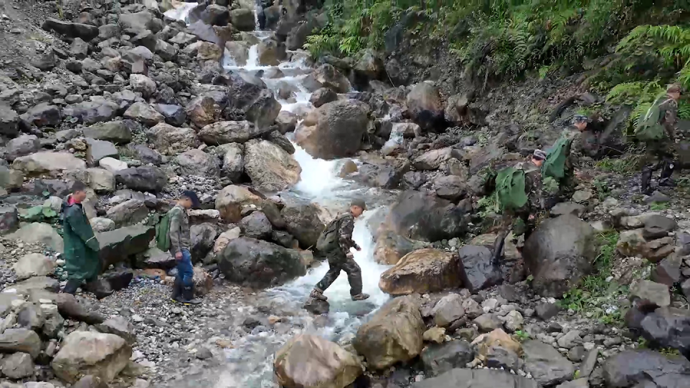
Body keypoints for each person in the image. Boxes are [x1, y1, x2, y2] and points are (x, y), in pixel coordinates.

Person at [492, 150, 546, 263]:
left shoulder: (519, 165)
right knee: (530, 224)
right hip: (523, 205)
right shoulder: (535, 173)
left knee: (504, 229)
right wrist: (533, 212)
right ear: (541, 160)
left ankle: (495, 257)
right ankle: (528, 253)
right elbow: (535, 195)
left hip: (510, 202)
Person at [310, 199, 370, 302]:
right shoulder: (348, 219)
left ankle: (317, 291)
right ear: (355, 208)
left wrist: (355, 245)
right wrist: (347, 252)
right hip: (337, 251)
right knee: (354, 269)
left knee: (334, 271)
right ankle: (356, 294)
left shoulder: (343, 216)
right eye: (362, 210)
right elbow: (343, 237)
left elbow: (342, 236)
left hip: (331, 248)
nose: (362, 213)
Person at [61, 181, 112, 299]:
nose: (86, 195)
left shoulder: (72, 205)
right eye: (85, 192)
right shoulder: (73, 211)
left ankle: (96, 289)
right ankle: (67, 295)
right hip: (77, 245)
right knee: (79, 270)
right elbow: (82, 230)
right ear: (77, 192)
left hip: (80, 244)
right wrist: (93, 243)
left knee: (92, 264)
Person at [640, 84, 682, 193]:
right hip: (660, 136)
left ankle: (645, 187)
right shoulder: (670, 103)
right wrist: (674, 138)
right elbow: (669, 123)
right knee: (673, 156)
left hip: (650, 133)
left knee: (652, 159)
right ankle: (663, 179)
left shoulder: (659, 100)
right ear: (676, 93)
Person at [168, 190, 202, 305]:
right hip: (180, 248)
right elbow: (173, 232)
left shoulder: (180, 211)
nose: (192, 205)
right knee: (188, 272)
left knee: (181, 271)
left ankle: (176, 296)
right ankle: (188, 298)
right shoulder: (177, 212)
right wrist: (177, 250)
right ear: (186, 199)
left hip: (180, 248)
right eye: (192, 203)